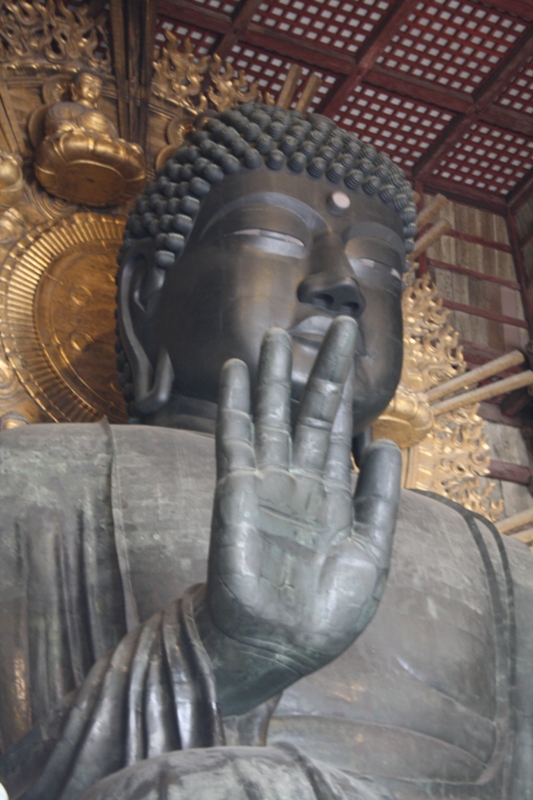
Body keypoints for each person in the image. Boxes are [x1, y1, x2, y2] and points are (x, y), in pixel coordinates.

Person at [0, 104, 532, 800]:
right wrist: (216, 658)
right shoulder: (25, 484)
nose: (339, 282)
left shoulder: (499, 569)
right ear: (142, 297)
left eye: (378, 267)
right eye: (273, 235)